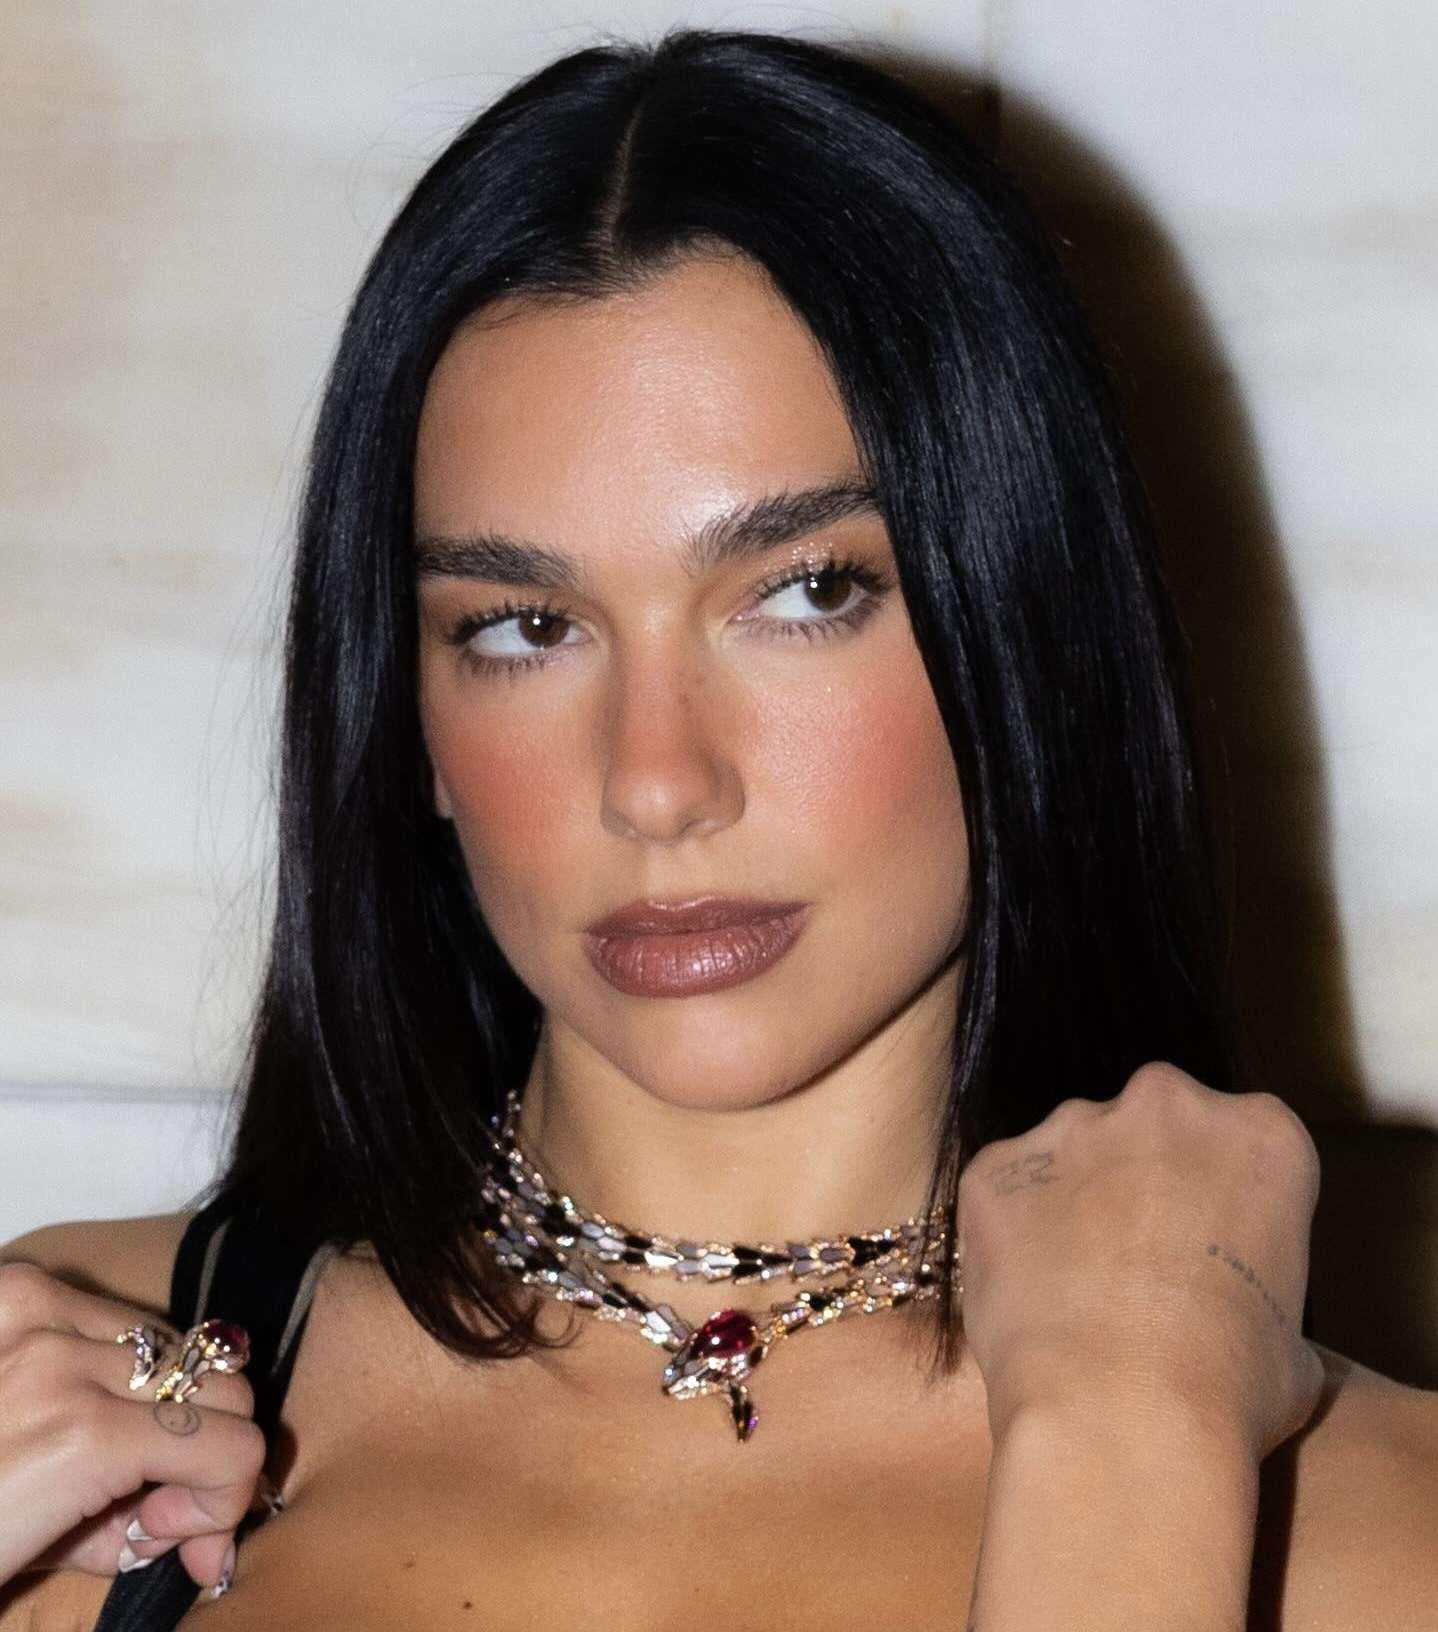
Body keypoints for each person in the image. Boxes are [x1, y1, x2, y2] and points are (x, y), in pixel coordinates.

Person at [1, 25, 1435, 1631]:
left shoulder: (1383, 1537)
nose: (657, 782)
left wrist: (1128, 1431)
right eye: (524, 628)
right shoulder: (69, 1423)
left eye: (804, 593)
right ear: (408, 720)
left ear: (1021, 631)